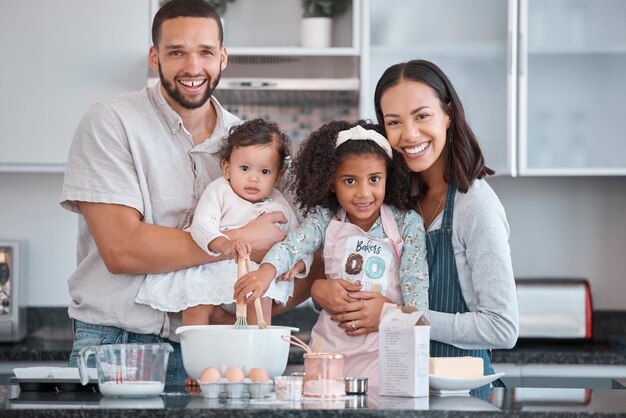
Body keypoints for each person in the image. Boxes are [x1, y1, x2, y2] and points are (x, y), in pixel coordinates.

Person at [60, 0, 315, 386]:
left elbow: (300, 250)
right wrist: (242, 240)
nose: (193, 67)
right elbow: (122, 249)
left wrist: (231, 318)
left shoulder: (253, 147)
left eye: (206, 52)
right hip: (119, 345)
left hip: (223, 344)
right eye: (176, 51)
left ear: (223, 57)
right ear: (154, 56)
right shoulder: (111, 122)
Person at [312, 59, 519, 396]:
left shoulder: (475, 206)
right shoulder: (390, 199)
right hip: (395, 389)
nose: (409, 134)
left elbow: (502, 327)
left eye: (422, 116)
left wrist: (396, 316)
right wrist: (320, 292)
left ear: (448, 115)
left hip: (458, 398)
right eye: (394, 122)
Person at [234, 120, 429, 385]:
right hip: (330, 353)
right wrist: (265, 273)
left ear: (388, 177)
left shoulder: (407, 224)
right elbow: (292, 247)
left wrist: (388, 315)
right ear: (331, 184)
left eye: (374, 179)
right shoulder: (324, 219)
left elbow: (418, 305)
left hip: (387, 354)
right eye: (350, 181)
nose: (363, 193)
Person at [135, 119, 311, 326]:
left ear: (278, 176)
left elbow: (300, 241)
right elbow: (202, 225)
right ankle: (195, 347)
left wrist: (299, 264)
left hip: (253, 274)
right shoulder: (220, 191)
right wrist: (224, 243)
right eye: (244, 168)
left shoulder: (278, 205)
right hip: (211, 267)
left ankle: (255, 347)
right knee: (196, 303)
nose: (253, 178)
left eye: (264, 172)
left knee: (263, 296)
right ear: (227, 169)